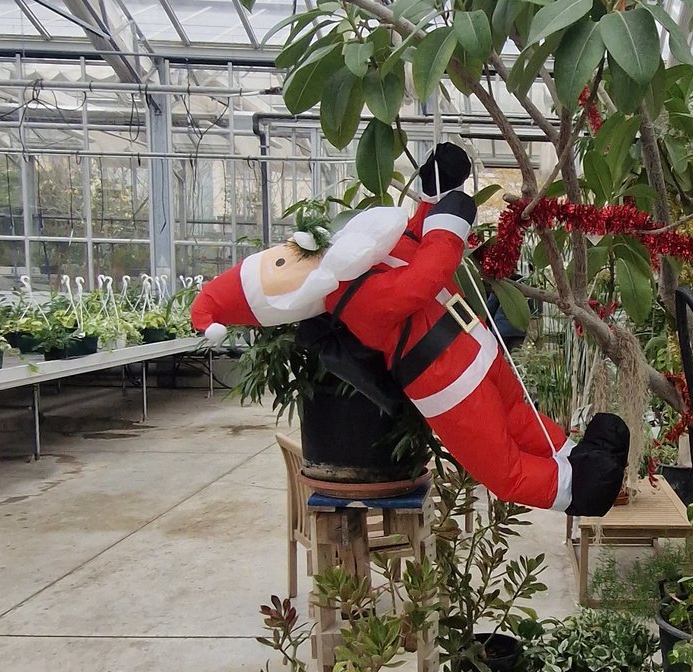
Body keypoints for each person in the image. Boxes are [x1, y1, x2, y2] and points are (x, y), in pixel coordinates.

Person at [191, 143, 629, 516]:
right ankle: (579, 487)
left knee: (520, 420)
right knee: (503, 469)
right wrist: (450, 225)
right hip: (449, 381)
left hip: (473, 353)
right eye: (281, 267)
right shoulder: (348, 298)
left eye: (284, 254)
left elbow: (413, 239)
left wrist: (434, 191)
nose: (296, 256)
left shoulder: (363, 253)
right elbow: (417, 284)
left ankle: (581, 457)